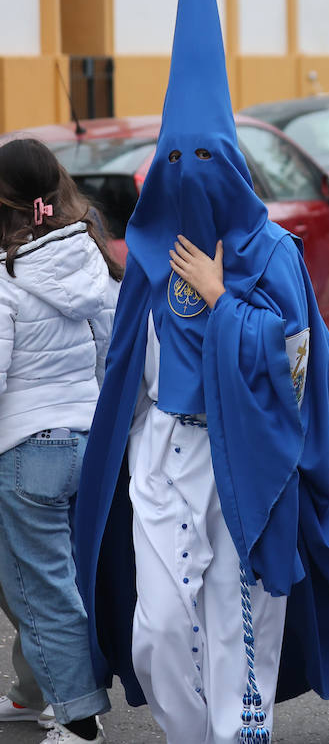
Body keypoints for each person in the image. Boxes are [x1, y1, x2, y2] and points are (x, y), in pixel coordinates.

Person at [72, 0, 329, 744]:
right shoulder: (147, 257)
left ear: (232, 166)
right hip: (161, 454)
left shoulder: (268, 253)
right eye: (178, 159)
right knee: (156, 631)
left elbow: (296, 363)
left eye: (209, 159)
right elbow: (122, 362)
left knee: (238, 627)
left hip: (247, 456)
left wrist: (228, 300)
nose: (192, 174)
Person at [0, 139, 121, 744]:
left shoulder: (5, 275)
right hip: (85, 440)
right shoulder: (88, 255)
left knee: (40, 590)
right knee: (56, 581)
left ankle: (78, 722)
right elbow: (108, 349)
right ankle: (33, 693)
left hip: (25, 451)